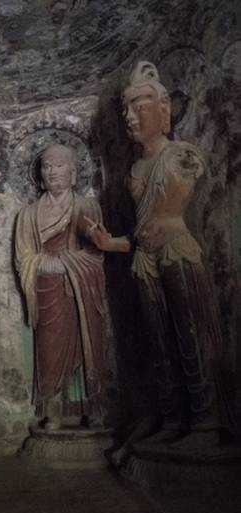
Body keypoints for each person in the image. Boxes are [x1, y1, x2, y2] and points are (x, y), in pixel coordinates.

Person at [87, 61, 224, 448]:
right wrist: (107, 243)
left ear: (163, 109)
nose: (131, 117)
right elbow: (139, 234)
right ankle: (171, 416)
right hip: (145, 262)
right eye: (127, 110)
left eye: (140, 106)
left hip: (176, 255)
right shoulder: (134, 171)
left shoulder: (181, 156)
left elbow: (164, 220)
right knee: (158, 344)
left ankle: (205, 422)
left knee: (190, 338)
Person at [15, 144, 106, 430]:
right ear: (40, 176)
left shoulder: (87, 206)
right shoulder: (28, 215)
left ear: (74, 172)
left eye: (60, 165)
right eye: (47, 166)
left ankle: (90, 408)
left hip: (80, 291)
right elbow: (23, 257)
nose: (53, 171)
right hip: (47, 288)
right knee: (50, 349)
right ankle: (53, 408)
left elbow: (96, 255)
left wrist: (68, 262)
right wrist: (42, 264)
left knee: (86, 345)